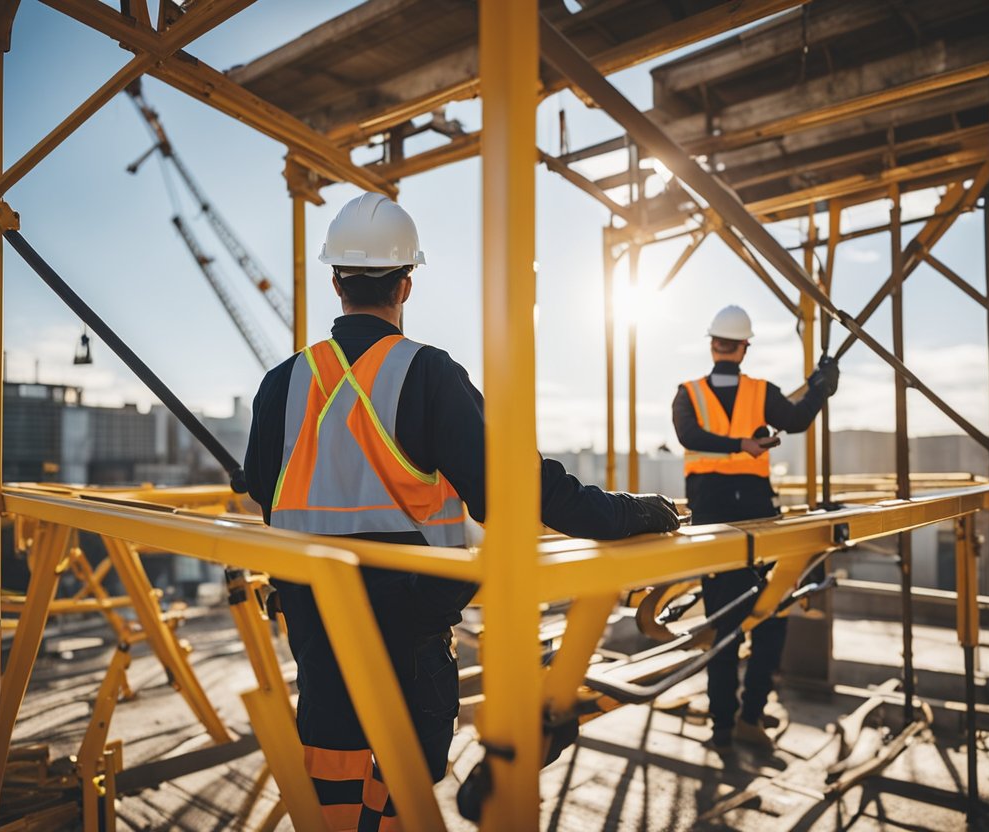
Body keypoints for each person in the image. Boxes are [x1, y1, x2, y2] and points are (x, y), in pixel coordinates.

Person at [244, 192, 680, 830]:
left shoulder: (281, 383)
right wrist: (625, 515)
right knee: (398, 794)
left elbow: (265, 490)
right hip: (408, 626)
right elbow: (517, 488)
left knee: (332, 786)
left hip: (316, 623)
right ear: (407, 284)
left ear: (335, 280)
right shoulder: (425, 374)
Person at [671, 304, 839, 751]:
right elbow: (799, 419)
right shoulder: (761, 391)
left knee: (722, 625)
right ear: (744, 348)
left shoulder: (688, 393)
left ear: (713, 344)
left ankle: (724, 728)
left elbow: (688, 436)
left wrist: (819, 387)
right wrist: (822, 388)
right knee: (769, 619)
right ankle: (747, 719)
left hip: (712, 521)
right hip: (759, 521)